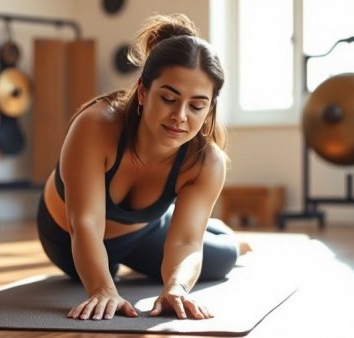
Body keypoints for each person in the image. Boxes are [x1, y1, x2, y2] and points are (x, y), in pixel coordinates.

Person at [37, 13, 248, 321]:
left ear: (210, 106)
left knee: (224, 256)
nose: (180, 115)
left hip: (143, 233)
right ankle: (197, 227)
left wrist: (176, 287)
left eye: (197, 105)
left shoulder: (206, 161)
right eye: (168, 98)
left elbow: (186, 242)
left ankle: (222, 233)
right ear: (143, 91)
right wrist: (101, 288)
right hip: (66, 236)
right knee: (100, 274)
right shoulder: (96, 126)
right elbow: (85, 224)